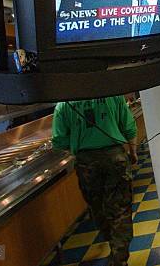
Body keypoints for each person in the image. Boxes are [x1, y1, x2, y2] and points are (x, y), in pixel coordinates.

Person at [52, 96, 138, 266]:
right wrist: (133, 150)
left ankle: (114, 248)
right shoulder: (113, 95)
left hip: (86, 163)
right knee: (120, 209)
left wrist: (79, 142)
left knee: (97, 208)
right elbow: (129, 126)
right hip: (115, 158)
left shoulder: (64, 104)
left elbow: (59, 141)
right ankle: (119, 256)